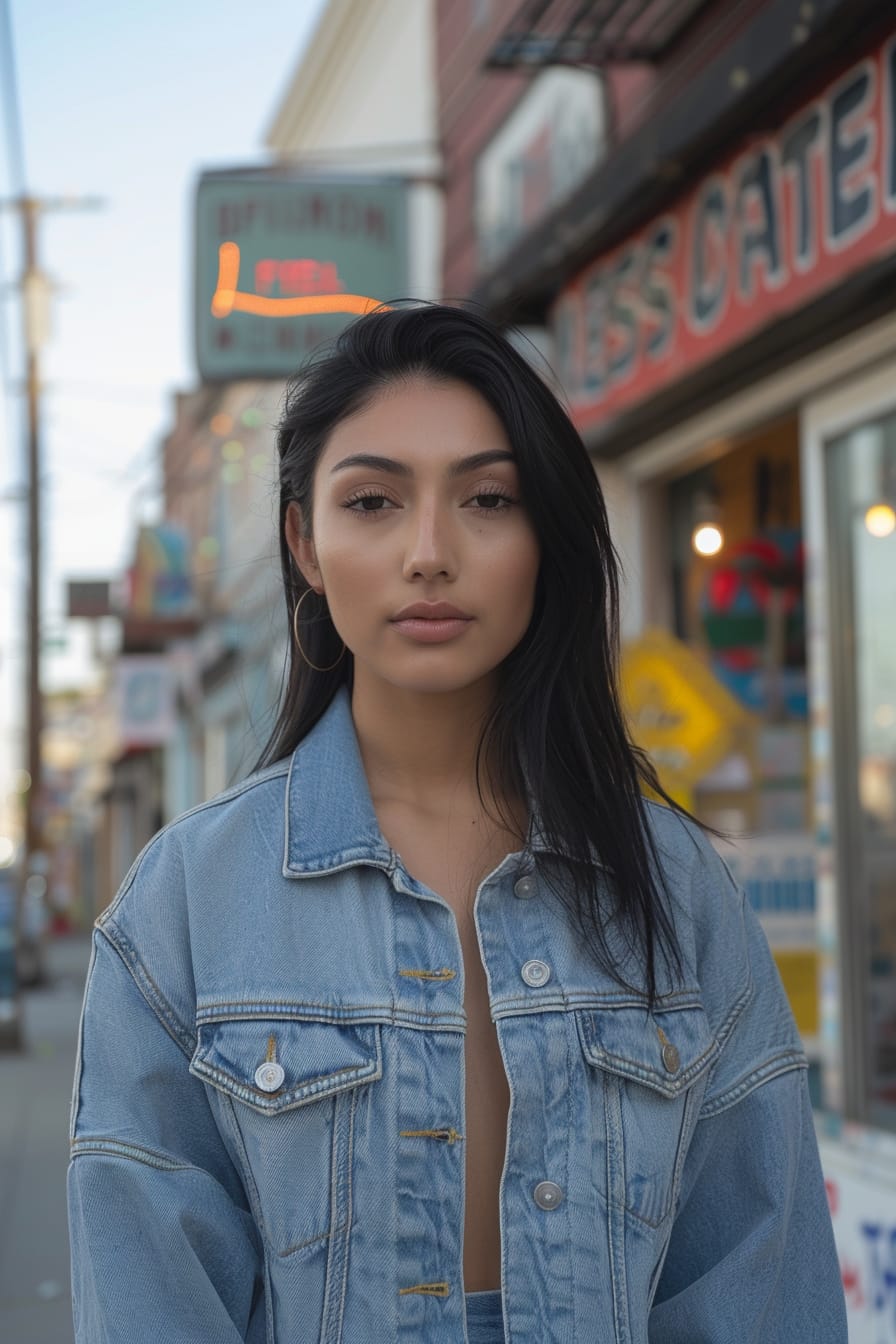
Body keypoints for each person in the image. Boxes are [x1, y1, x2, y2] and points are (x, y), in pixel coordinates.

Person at [67, 303, 847, 1343]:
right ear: (304, 540)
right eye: (373, 502)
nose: (428, 553)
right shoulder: (184, 907)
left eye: (486, 498)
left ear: (543, 536)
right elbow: (148, 1306)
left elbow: (760, 1286)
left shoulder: (673, 886)